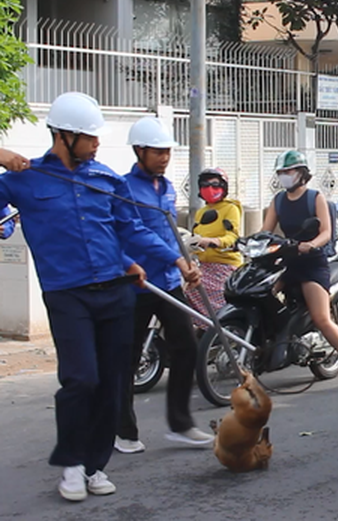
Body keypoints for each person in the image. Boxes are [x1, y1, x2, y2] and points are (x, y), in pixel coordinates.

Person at [0, 92, 200, 502]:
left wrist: (175, 261)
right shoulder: (25, 178)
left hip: (116, 291)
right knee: (80, 380)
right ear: (63, 135)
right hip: (66, 293)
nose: (96, 144)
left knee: (112, 382)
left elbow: (131, 231)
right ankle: (72, 466)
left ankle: (95, 467)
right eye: (89, 138)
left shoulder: (107, 179)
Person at [116, 117, 214, 455]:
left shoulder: (168, 187)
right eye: (157, 151)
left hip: (169, 282)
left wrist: (188, 263)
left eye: (168, 151)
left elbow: (172, 234)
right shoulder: (123, 188)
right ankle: (124, 431)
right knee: (126, 359)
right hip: (136, 284)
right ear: (139, 151)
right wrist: (175, 260)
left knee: (186, 347)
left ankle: (181, 423)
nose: (164, 157)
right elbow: (132, 235)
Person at [261, 150, 338, 390]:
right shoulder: (277, 201)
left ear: (301, 173)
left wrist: (311, 245)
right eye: (281, 172)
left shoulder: (314, 197)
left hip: (312, 263)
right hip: (287, 262)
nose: (285, 176)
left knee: (321, 318)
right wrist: (252, 243)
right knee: (262, 295)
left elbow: (326, 232)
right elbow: (265, 231)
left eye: (289, 171)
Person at [183, 167, 243, 320]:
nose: (210, 188)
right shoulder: (201, 212)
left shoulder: (231, 208)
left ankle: (221, 327)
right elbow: (195, 236)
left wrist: (212, 242)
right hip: (203, 264)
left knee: (195, 289)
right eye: (205, 185)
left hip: (224, 265)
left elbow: (232, 237)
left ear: (224, 187)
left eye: (215, 185)